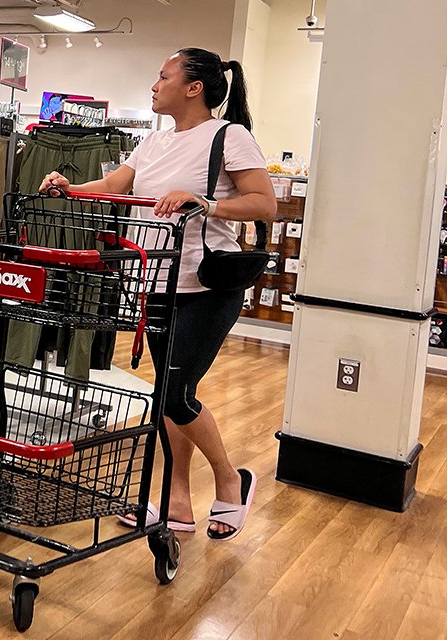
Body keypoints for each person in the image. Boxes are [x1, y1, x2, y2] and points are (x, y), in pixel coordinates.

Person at [40, 48, 277, 540]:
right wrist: (70, 189)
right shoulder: (152, 141)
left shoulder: (228, 136)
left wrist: (206, 203)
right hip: (157, 284)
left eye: (163, 76)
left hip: (207, 286)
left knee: (174, 394)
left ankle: (230, 479)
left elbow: (264, 204)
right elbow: (115, 183)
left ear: (194, 87)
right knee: (168, 396)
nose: (154, 84)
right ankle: (176, 500)